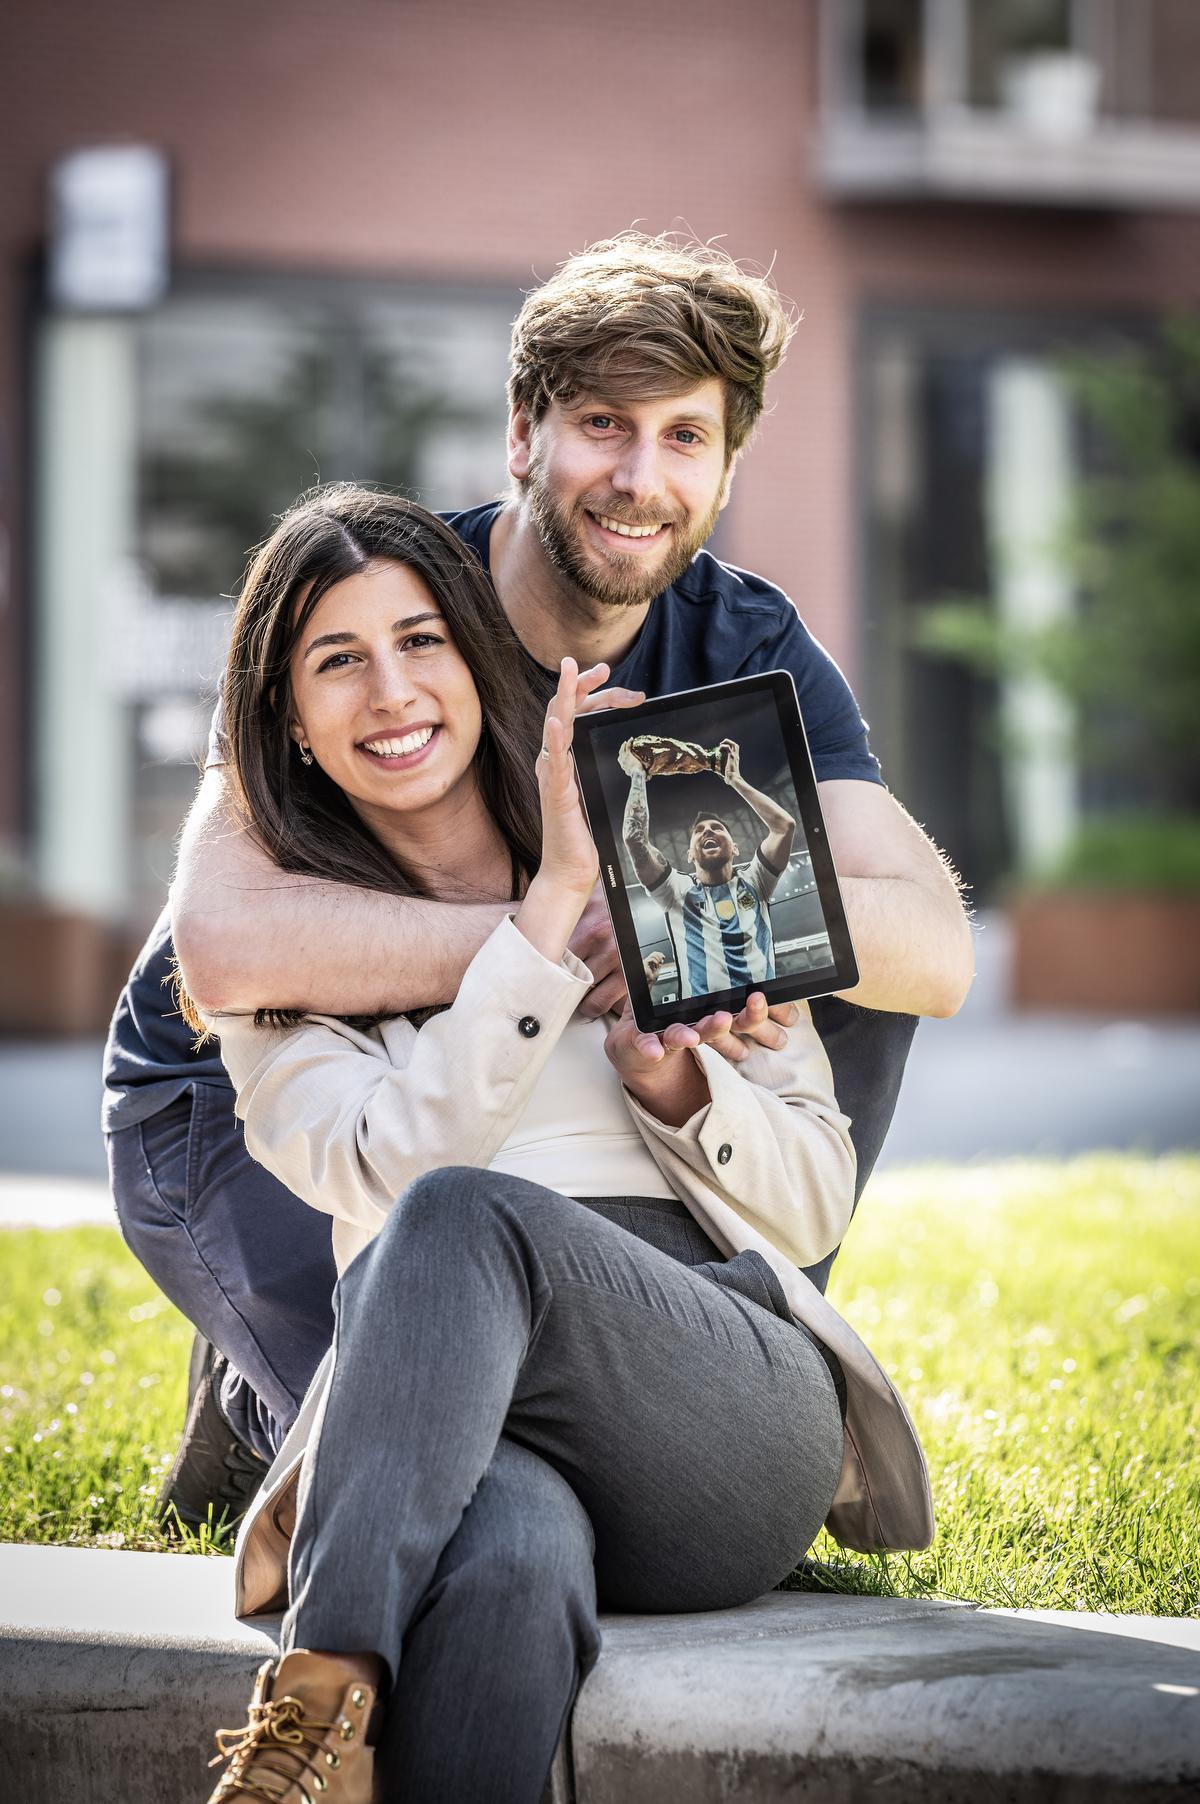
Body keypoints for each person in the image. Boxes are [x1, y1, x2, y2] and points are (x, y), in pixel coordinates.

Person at [101, 232, 973, 1534]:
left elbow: (936, 950)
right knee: (422, 1442)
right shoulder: (383, 605)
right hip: (238, 1110)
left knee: (841, 967)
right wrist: (555, 930)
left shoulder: (739, 649)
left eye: (685, 437)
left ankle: (735, 1318)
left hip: (515, 1118)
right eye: (601, 427)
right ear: (524, 431)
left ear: (728, 465)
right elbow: (221, 948)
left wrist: (697, 924)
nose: (638, 477)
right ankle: (256, 1400)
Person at [191, 486, 931, 1804]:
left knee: (466, 1219)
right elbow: (381, 1175)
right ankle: (334, 1747)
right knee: (506, 1573)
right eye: (336, 659)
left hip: (721, 1416)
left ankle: (312, 1697)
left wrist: (683, 1093)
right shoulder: (296, 954)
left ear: (476, 658)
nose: (391, 691)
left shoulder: (662, 839)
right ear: (289, 720)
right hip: (484, 1446)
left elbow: (815, 1202)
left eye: (420, 640)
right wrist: (541, 927)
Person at [619, 734, 794, 996]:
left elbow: (785, 827)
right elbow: (634, 838)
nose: (707, 831)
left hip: (764, 1014)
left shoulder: (756, 880)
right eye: (699, 830)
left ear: (735, 847)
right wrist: (637, 774)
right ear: (689, 855)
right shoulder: (675, 890)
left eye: (716, 828)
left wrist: (735, 780)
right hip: (699, 1026)